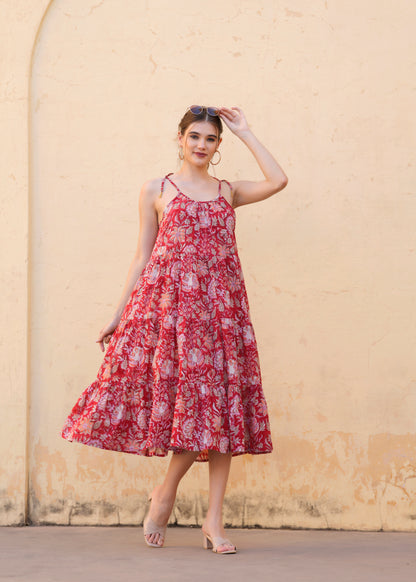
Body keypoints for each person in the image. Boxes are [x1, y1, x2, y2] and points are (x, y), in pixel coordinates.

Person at [61, 105, 288, 554]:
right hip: (174, 315)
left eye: (211, 139)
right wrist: (118, 313)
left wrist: (245, 131)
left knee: (222, 414)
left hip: (223, 315)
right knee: (194, 413)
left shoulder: (229, 191)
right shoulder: (157, 189)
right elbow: (143, 255)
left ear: (218, 146)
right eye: (195, 136)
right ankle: (165, 494)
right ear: (180, 138)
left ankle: (213, 521)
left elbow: (278, 180)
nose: (202, 145)